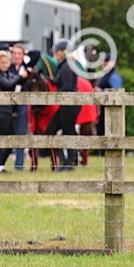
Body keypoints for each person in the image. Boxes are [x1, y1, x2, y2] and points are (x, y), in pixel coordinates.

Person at [0, 49, 26, 173]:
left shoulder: (6, 74)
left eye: (7, 62)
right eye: (2, 63)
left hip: (7, 110)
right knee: (1, 138)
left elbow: (16, 81)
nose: (5, 65)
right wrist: (20, 76)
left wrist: (25, 76)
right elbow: (8, 85)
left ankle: (0, 165)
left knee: (11, 139)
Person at [46, 40, 79, 171]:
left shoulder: (67, 66)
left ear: (62, 52)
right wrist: (44, 77)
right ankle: (65, 160)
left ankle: (69, 162)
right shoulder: (65, 65)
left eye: (56, 52)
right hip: (67, 104)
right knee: (51, 129)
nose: (54, 54)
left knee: (68, 131)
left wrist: (54, 94)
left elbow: (67, 87)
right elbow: (56, 82)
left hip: (69, 104)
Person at [8, 44, 29, 170]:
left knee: (21, 133)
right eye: (14, 53)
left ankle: (19, 164)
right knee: (6, 134)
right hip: (8, 104)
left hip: (22, 104)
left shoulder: (27, 68)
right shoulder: (7, 68)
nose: (16, 56)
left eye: (19, 53)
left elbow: (37, 54)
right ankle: (0, 164)